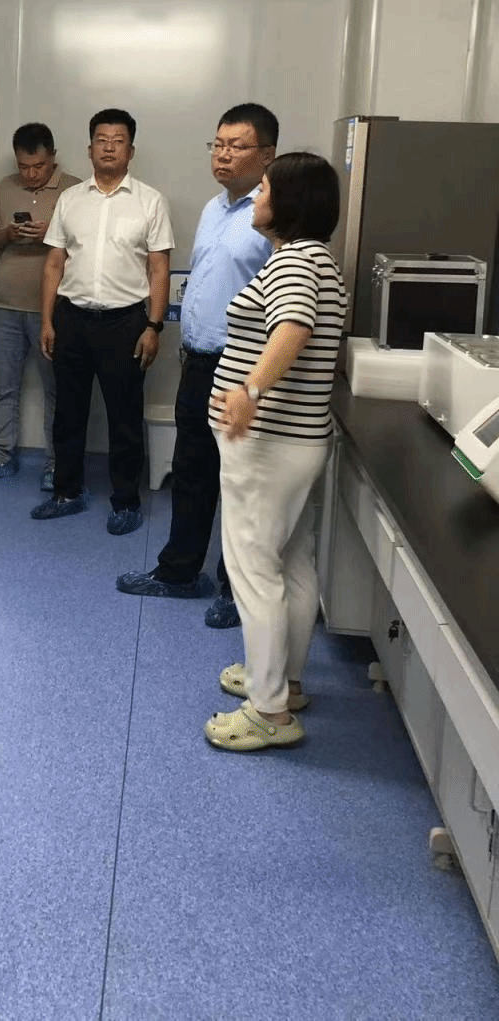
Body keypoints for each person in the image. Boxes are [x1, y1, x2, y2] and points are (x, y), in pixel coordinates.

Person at [203, 152, 346, 751]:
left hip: (268, 443)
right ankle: (285, 681)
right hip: (298, 441)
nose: (256, 199)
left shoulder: (292, 261)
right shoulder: (319, 259)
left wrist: (249, 391)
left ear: (287, 203)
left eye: (263, 189)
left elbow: (293, 327)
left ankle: (269, 712)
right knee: (292, 562)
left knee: (254, 570)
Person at [116, 104, 278, 627]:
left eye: (236, 146)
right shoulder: (214, 208)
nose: (222, 155)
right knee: (191, 471)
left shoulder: (273, 215)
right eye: (218, 144)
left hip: (243, 370)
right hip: (199, 362)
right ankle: (180, 571)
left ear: (267, 155)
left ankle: (236, 591)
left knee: (241, 484)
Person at [33, 109, 173, 535]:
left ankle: (126, 501)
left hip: (125, 324)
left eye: (118, 140)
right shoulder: (70, 200)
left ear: (131, 150)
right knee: (68, 413)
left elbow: (159, 270)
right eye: (101, 139)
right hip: (72, 319)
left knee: (124, 417)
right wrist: (47, 320)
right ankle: (67, 492)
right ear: (89, 147)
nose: (109, 147)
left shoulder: (150, 201)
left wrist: (154, 326)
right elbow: (54, 264)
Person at [0, 124, 79, 490]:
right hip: (6, 307)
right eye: (23, 166)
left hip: (56, 309)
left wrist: (52, 234)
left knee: (58, 390)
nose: (30, 174)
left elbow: (89, 248)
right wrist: (8, 234)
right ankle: (0, 453)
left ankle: (57, 462)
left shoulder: (75, 190)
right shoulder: (5, 187)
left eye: (39, 166)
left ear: (53, 158)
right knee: (4, 387)